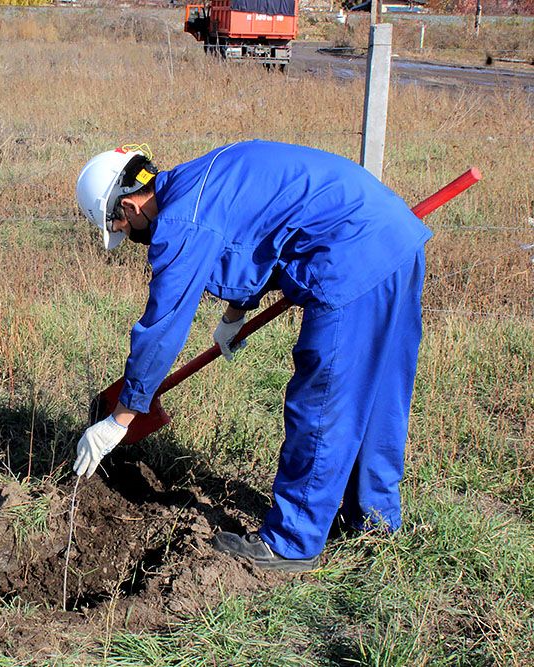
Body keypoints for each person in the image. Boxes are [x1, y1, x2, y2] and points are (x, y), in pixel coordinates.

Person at [73, 141, 429, 572]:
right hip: (396, 239)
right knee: (378, 398)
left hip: (349, 259)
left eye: (122, 228)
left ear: (129, 206)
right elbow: (257, 231)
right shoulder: (201, 179)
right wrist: (234, 314)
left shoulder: (181, 219)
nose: (128, 236)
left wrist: (121, 419)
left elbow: (163, 326)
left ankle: (292, 542)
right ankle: (374, 521)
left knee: (324, 403)